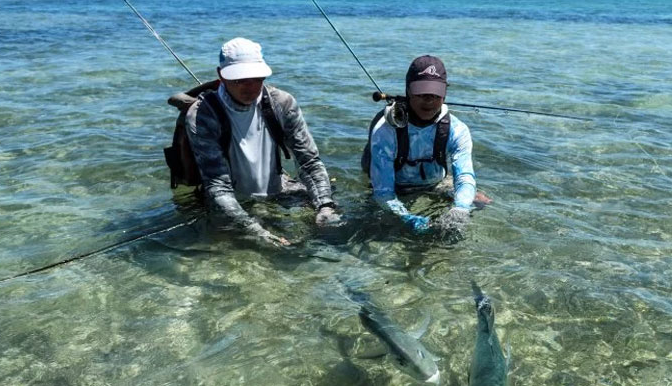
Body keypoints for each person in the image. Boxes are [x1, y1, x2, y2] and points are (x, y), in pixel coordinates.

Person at [182, 37, 341, 246]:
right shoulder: (202, 115)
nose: (250, 87)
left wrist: (325, 206)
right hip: (229, 201)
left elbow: (309, 161)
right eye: (240, 80)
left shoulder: (282, 103)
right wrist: (255, 230)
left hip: (278, 190)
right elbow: (217, 186)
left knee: (335, 221)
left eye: (257, 78)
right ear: (221, 75)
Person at [366, 55, 490, 239]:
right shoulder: (385, 131)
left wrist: (461, 209)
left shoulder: (458, 130)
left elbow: (464, 177)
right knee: (380, 227)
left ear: (445, 93)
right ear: (408, 90)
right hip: (396, 187)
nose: (429, 99)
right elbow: (384, 192)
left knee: (481, 202)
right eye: (421, 92)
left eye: (436, 93)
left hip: (436, 183)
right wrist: (407, 218)